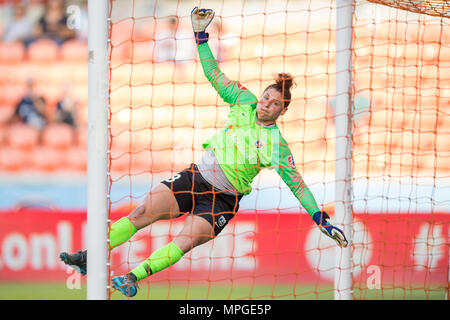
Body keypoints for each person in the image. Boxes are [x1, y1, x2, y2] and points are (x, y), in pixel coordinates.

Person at [60, 7, 348, 298]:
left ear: (282, 111)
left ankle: (132, 278)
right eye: (266, 97)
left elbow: (296, 183)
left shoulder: (277, 145)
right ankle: (89, 257)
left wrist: (319, 218)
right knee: (143, 211)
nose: (266, 104)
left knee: (184, 241)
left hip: (223, 199)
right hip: (195, 177)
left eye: (274, 104)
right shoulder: (243, 101)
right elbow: (214, 74)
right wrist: (200, 37)